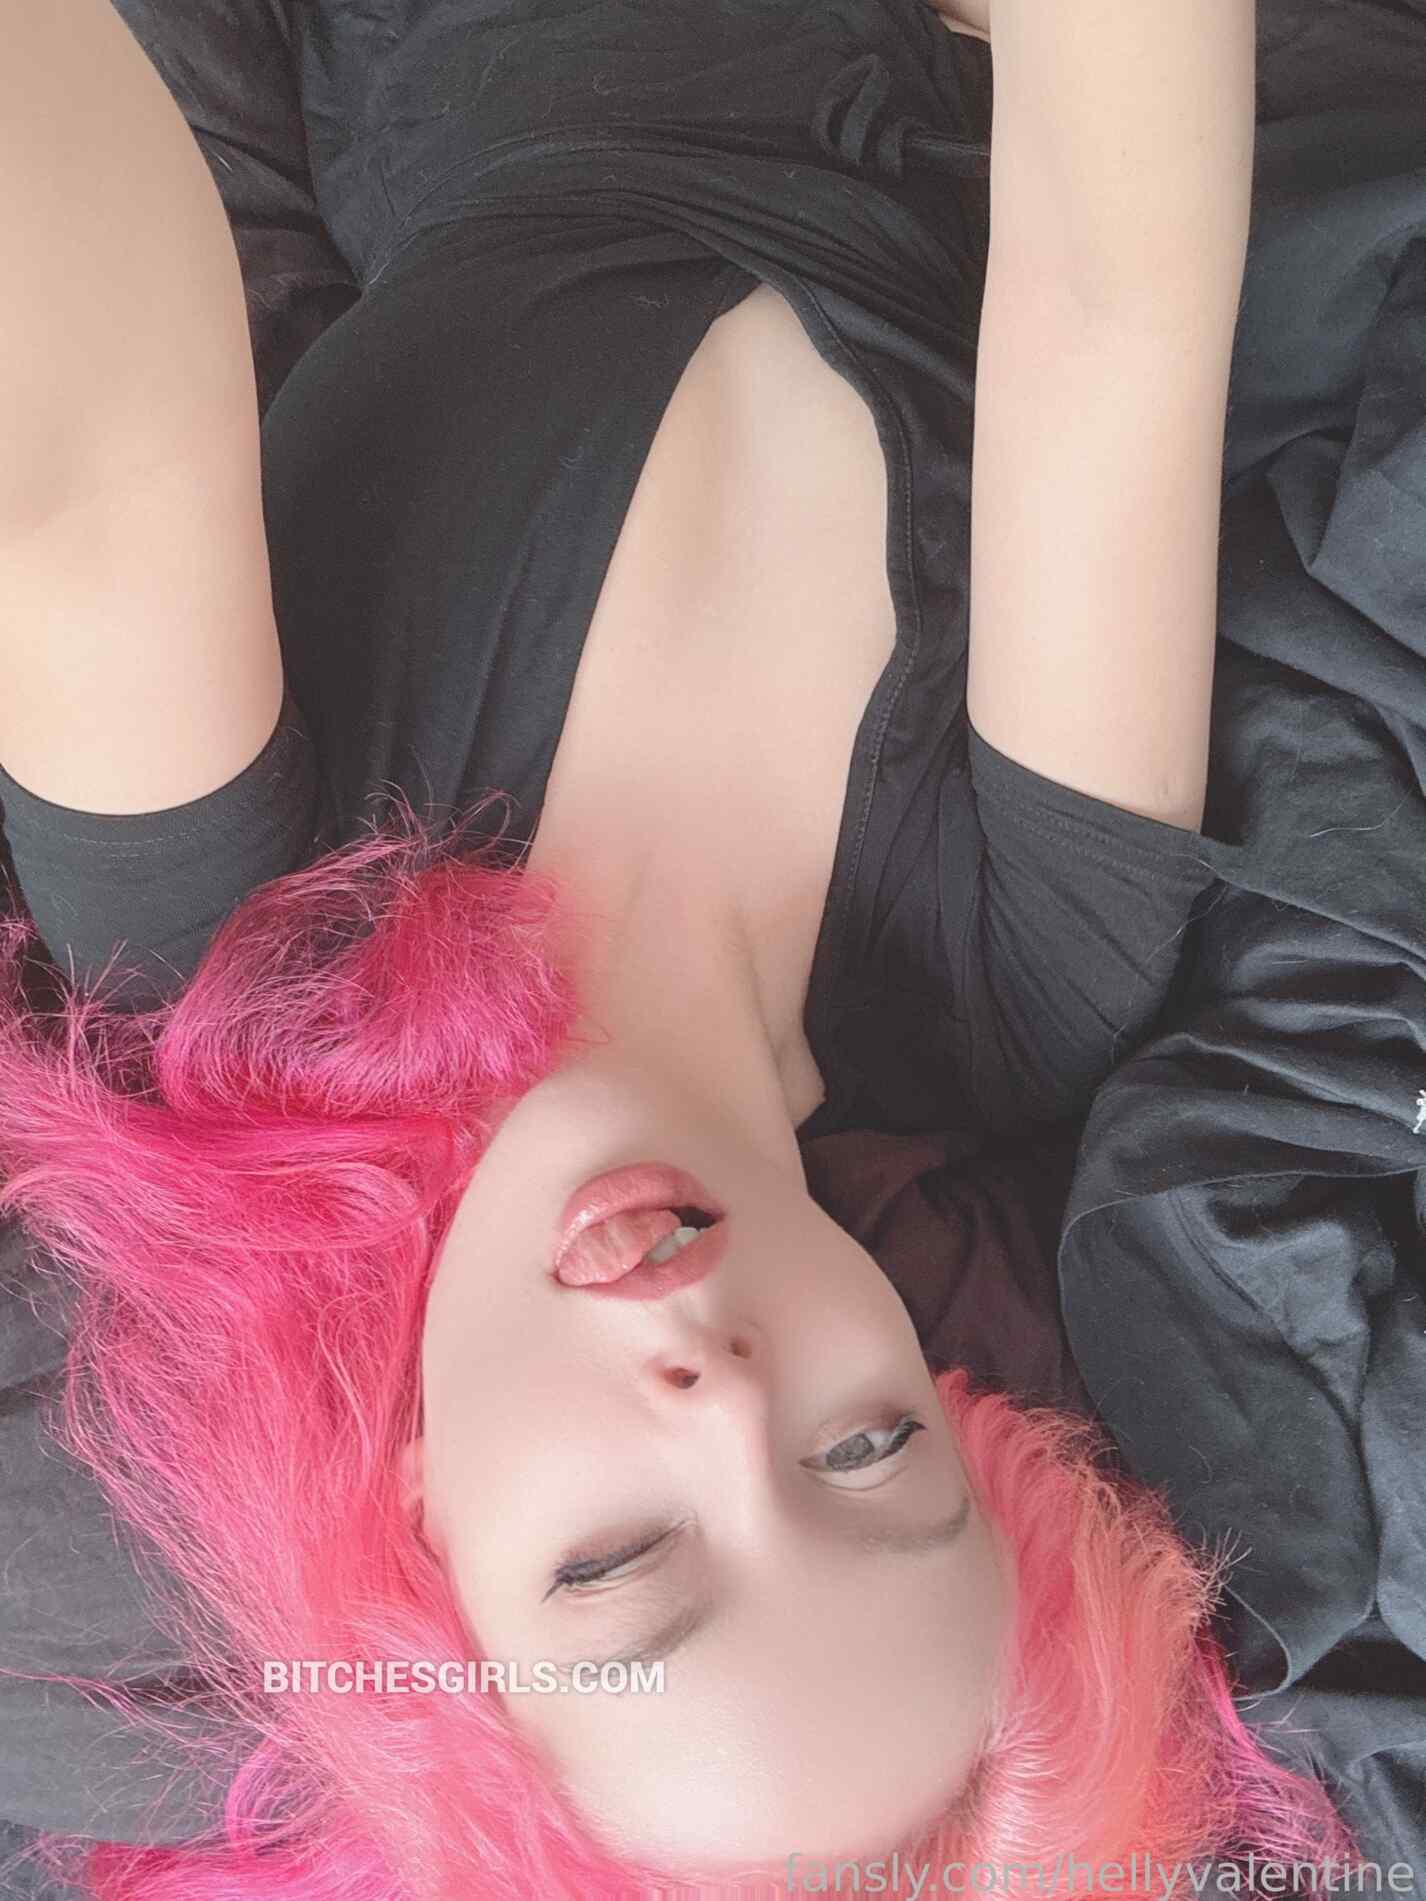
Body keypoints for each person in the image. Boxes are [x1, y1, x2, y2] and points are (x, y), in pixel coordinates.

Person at [0, 0, 1357, 1893]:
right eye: (867, 1452)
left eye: (617, 1561)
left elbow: (95, 465)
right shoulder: (1023, 968)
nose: (723, 1397)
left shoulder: (243, 959)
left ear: (424, 1538)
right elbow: (1108, 301)